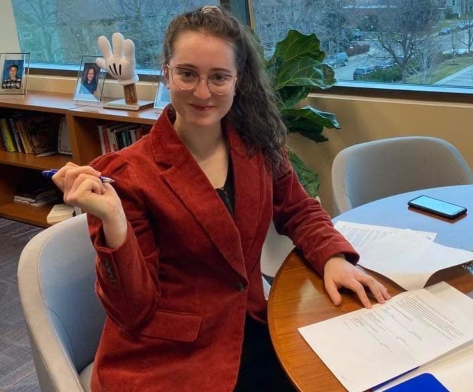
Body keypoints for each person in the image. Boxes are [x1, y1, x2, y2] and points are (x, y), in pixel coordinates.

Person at [51, 6, 390, 392]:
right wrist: (115, 223)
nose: (202, 92)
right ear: (166, 73)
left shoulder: (258, 147)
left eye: (219, 77)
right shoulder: (127, 176)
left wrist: (332, 257)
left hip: (251, 329)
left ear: (238, 81)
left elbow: (298, 209)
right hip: (168, 357)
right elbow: (133, 311)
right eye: (187, 73)